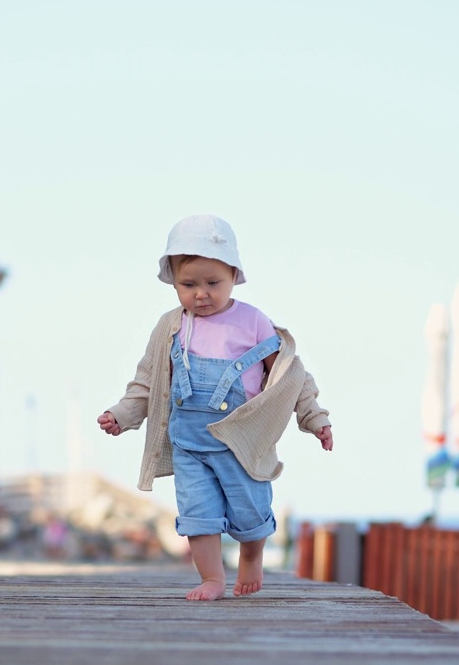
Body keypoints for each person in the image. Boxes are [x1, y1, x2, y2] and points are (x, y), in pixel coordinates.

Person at [97, 214, 334, 601]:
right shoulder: (171, 326)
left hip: (242, 442)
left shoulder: (253, 323)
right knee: (197, 515)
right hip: (190, 442)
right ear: (173, 281)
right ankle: (212, 578)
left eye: (213, 283)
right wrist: (122, 415)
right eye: (188, 284)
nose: (201, 294)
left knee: (250, 514)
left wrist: (315, 419)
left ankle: (252, 555)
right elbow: (149, 380)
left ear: (234, 276)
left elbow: (294, 377)